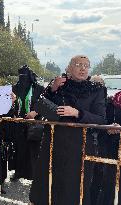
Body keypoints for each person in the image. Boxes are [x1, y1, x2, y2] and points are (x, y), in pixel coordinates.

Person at [29, 55, 107, 205]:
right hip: (53, 142)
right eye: (78, 64)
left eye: (86, 65)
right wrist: (52, 89)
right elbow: (40, 106)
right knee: (49, 183)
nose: (83, 68)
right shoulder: (60, 84)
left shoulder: (96, 90)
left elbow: (101, 119)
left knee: (74, 187)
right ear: (69, 68)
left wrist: (77, 113)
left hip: (80, 146)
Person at [9, 65, 44, 180]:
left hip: (33, 124)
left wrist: (35, 112)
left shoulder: (38, 88)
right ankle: (18, 172)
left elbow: (45, 104)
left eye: (25, 76)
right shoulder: (14, 88)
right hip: (18, 123)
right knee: (19, 148)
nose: (22, 78)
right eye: (20, 76)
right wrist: (13, 110)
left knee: (32, 149)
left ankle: (32, 174)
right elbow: (9, 104)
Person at [93, 91, 121, 205]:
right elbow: (101, 123)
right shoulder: (111, 102)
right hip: (111, 151)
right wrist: (108, 128)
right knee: (109, 183)